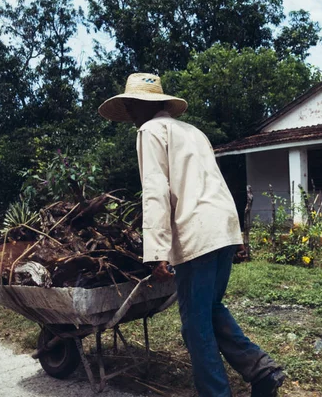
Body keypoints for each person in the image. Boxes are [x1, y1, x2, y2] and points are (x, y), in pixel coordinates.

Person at [98, 73, 285, 396]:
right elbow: (213, 181)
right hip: (222, 227)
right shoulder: (193, 131)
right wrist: (236, 235)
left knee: (196, 327)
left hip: (196, 233)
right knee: (211, 309)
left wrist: (156, 252)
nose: (128, 113)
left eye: (129, 105)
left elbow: (155, 192)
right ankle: (262, 370)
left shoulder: (150, 131)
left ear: (138, 105)